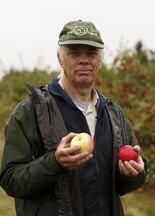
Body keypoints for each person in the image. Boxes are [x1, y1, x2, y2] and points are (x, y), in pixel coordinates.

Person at [0, 20, 147, 216]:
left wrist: (132, 173)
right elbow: (11, 180)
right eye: (75, 53)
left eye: (92, 53)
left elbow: (124, 183)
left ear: (100, 60)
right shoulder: (31, 111)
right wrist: (55, 163)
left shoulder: (113, 114)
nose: (84, 60)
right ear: (60, 59)